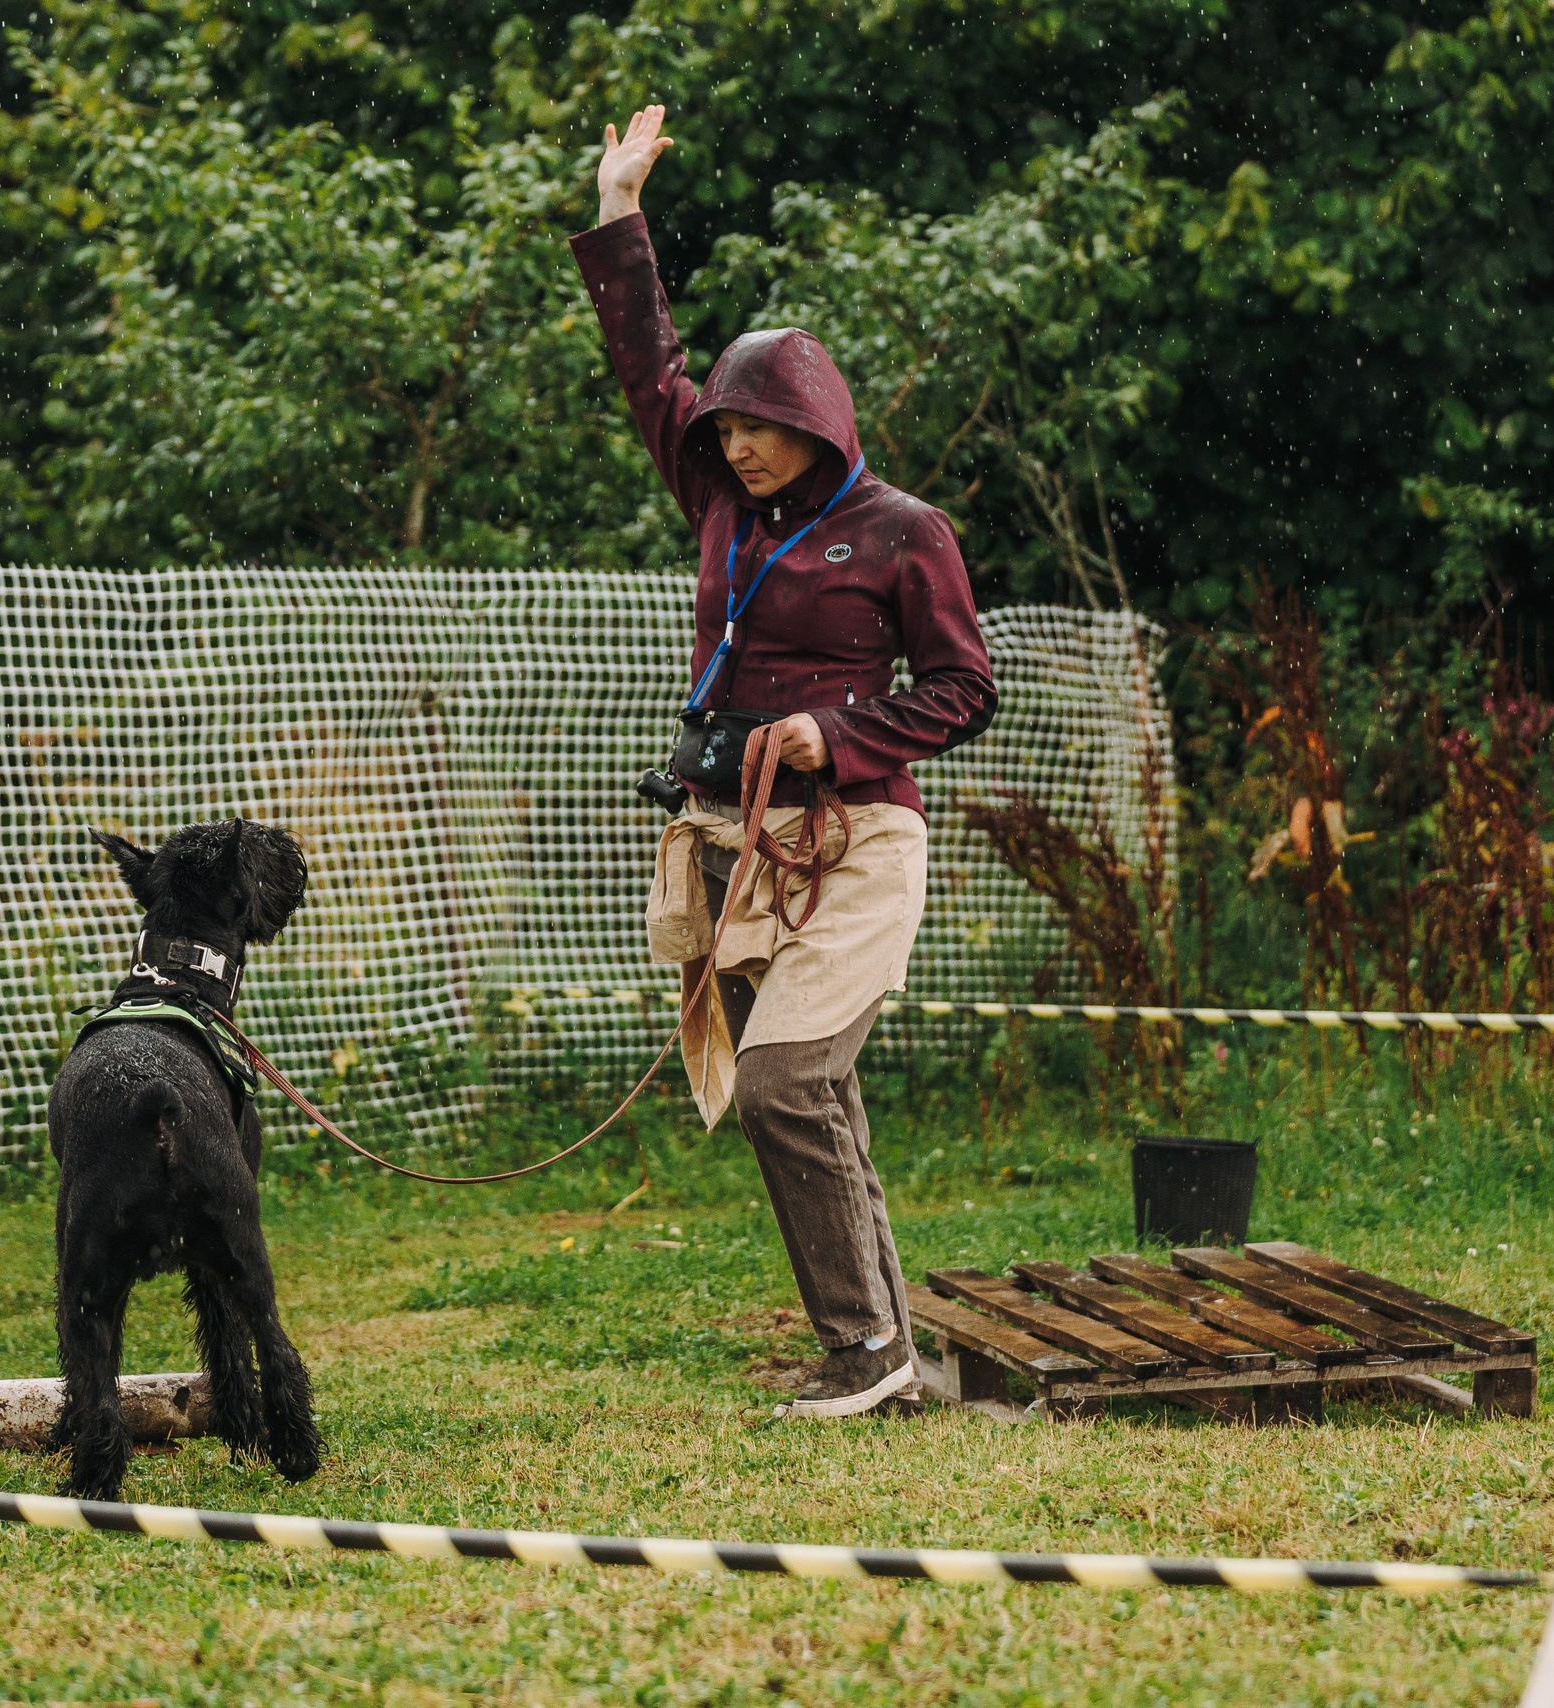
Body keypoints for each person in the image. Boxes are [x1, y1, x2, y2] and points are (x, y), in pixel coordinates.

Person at [574, 105, 998, 1418]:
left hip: (860, 841)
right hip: (731, 842)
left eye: (757, 426)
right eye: (727, 429)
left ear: (815, 420)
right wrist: (615, 209)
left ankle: (864, 1358)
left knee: (785, 1083)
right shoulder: (715, 498)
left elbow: (967, 688)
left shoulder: (902, 529)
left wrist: (838, 733)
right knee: (814, 1101)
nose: (734, 444)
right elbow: (653, 371)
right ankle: (887, 1356)